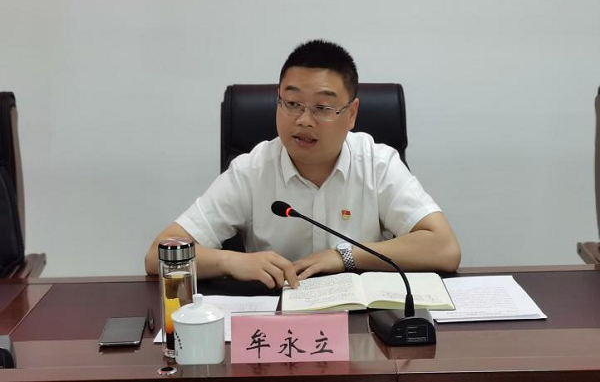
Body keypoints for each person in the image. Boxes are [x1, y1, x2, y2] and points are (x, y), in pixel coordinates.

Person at [145, 39, 461, 289]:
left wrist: (344, 256)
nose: (304, 120)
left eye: (322, 107)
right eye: (292, 103)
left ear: (351, 114)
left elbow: (445, 248)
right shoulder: (251, 171)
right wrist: (232, 261)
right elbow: (157, 255)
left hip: (362, 328)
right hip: (279, 326)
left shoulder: (377, 164)